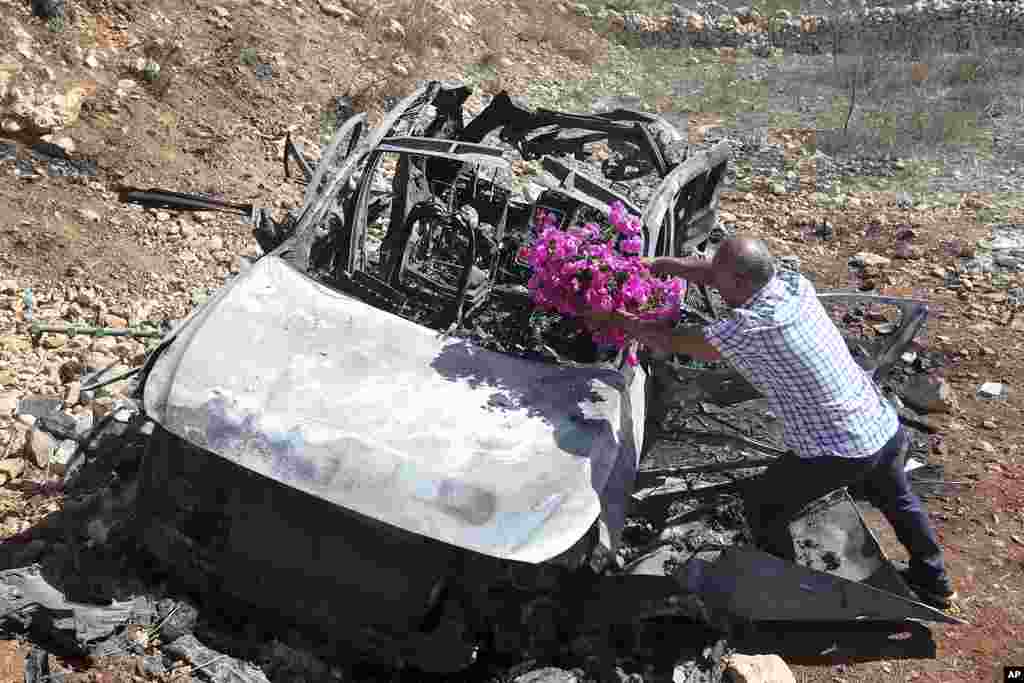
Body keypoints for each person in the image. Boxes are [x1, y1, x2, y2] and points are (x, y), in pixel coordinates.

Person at [584, 236, 957, 609]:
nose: (712, 277)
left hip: (838, 449)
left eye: (720, 274)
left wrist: (615, 319)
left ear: (742, 282)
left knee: (763, 507)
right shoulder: (793, 284)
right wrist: (667, 265)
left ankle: (785, 590)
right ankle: (935, 581)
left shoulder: (752, 329)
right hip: (879, 426)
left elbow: (673, 342)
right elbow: (722, 274)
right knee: (897, 499)